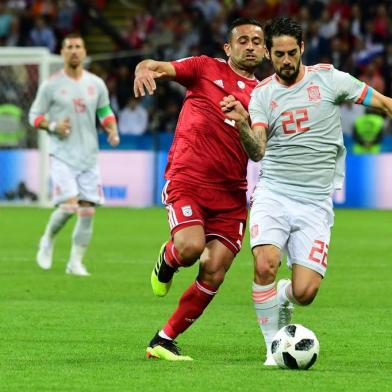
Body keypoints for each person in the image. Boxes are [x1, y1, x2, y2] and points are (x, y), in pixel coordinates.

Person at [220, 16, 392, 366]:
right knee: (265, 264)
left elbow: (384, 103)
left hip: (315, 202)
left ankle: (281, 297)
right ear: (268, 53)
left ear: (302, 49)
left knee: (305, 293)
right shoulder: (263, 95)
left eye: (291, 53)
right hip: (275, 193)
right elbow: (258, 151)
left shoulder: (329, 79)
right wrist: (240, 124)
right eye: (278, 54)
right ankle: (273, 348)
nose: (285, 60)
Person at [133, 18, 265, 361]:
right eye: (243, 40)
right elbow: (154, 65)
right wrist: (142, 69)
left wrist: (243, 123)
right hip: (188, 179)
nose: (250, 46)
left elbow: (259, 151)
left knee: (215, 269)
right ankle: (168, 257)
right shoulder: (203, 68)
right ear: (228, 47)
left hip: (232, 193)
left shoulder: (267, 95)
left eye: (256, 41)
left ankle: (163, 340)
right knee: (190, 248)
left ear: (265, 50)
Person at [29, 33, 120, 276]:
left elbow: (104, 110)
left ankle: (75, 263)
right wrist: (52, 126)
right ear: (62, 52)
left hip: (89, 156)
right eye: (69, 47)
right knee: (69, 206)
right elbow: (33, 116)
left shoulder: (96, 84)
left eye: (78, 46)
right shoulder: (51, 85)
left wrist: (112, 128)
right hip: (62, 155)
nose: (74, 51)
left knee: (88, 210)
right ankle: (47, 239)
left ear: (85, 52)